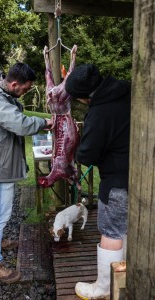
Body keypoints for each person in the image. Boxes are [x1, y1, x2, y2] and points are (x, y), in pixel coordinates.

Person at [0, 62, 53, 284]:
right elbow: (18, 122)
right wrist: (44, 122)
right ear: (14, 83)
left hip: (0, 162)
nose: (24, 94)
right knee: (0, 214)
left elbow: (13, 113)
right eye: (25, 90)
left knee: (0, 212)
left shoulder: (1, 93)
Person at [65, 64, 130, 299]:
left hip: (116, 181)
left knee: (111, 231)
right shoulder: (128, 91)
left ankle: (104, 288)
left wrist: (78, 150)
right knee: (130, 228)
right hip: (141, 177)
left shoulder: (99, 113)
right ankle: (130, 275)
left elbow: (88, 155)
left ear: (84, 97)